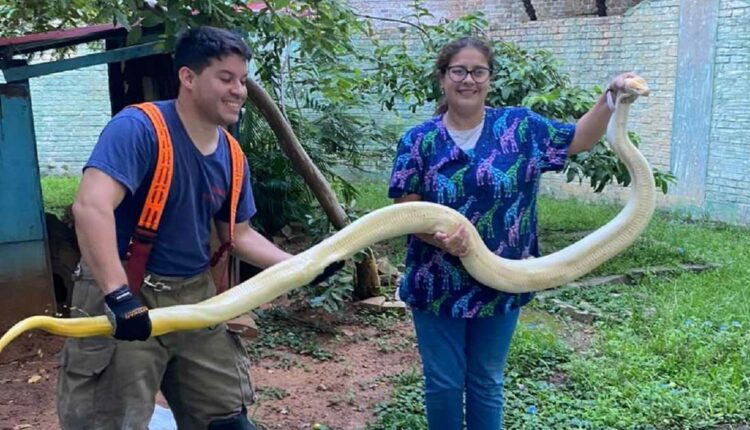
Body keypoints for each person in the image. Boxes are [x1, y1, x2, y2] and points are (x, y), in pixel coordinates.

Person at [388, 36, 636, 429]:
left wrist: (611, 95)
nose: (468, 79)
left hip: (503, 279)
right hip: (436, 282)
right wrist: (440, 238)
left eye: (478, 71)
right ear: (442, 79)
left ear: (489, 79)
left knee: (486, 381)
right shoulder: (419, 140)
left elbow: (579, 138)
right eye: (458, 71)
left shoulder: (520, 127)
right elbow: (406, 206)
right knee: (443, 383)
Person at [58, 26, 298, 430]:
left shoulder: (232, 155)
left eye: (242, 80)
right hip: (126, 291)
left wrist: (301, 264)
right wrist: (119, 296)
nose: (238, 90)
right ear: (188, 78)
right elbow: (91, 206)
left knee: (225, 420)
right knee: (110, 421)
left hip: (196, 298)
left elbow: (239, 236)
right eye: (225, 78)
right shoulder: (139, 128)